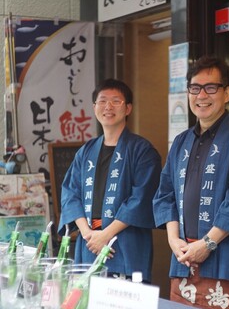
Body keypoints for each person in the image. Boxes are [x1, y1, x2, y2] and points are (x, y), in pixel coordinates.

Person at [153, 56, 229, 309]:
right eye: (195, 88)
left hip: (225, 265)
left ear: (227, 93)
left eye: (211, 88)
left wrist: (207, 244)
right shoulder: (181, 142)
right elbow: (166, 195)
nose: (201, 95)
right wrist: (173, 240)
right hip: (183, 263)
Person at [58, 78, 162, 282]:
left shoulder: (142, 151)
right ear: (94, 107)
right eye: (102, 101)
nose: (108, 106)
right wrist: (88, 233)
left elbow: (141, 198)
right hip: (89, 243)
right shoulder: (86, 151)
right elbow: (70, 193)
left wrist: (106, 235)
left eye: (116, 101)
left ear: (128, 108)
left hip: (125, 244)